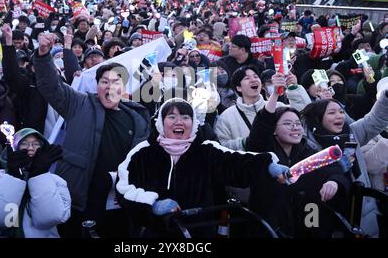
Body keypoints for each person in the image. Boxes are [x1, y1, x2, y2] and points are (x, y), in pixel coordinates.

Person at [116, 98, 290, 237]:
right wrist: (152, 204)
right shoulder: (143, 152)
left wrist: (267, 166)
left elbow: (236, 162)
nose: (179, 122)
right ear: (161, 122)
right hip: (155, 232)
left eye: (185, 117)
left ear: (193, 122)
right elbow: (123, 188)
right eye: (172, 117)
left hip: (200, 231)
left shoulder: (206, 149)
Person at [33, 33, 150, 237]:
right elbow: (50, 86)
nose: (109, 86)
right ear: (97, 86)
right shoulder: (79, 104)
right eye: (104, 81)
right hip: (80, 199)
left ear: (123, 88)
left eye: (115, 82)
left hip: (121, 203)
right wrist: (43, 56)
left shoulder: (138, 117)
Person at [245, 88, 350, 237]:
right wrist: (275, 94)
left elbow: (334, 171)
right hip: (272, 222)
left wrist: (333, 182)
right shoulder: (263, 153)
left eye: (297, 123)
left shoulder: (309, 153)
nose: (295, 127)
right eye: (288, 124)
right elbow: (259, 132)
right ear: (273, 129)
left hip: (309, 214)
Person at [302, 91, 388, 237]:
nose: (339, 116)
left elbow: (374, 120)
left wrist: (386, 97)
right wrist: (338, 171)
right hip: (325, 213)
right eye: (332, 113)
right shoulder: (307, 145)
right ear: (318, 118)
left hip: (361, 208)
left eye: (341, 111)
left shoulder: (351, 133)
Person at [0, 128, 71, 238]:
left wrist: (39, 175)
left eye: (36, 144)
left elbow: (49, 218)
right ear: (15, 149)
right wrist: (14, 177)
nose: (31, 148)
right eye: (24, 144)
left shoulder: (56, 181)